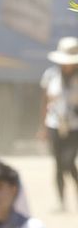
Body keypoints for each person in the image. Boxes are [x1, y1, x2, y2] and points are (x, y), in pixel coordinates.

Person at [39, 36, 78, 211]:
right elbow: (45, 102)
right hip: (54, 124)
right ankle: (61, 202)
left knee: (68, 162)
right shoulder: (50, 75)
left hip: (75, 126)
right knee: (58, 164)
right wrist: (42, 127)